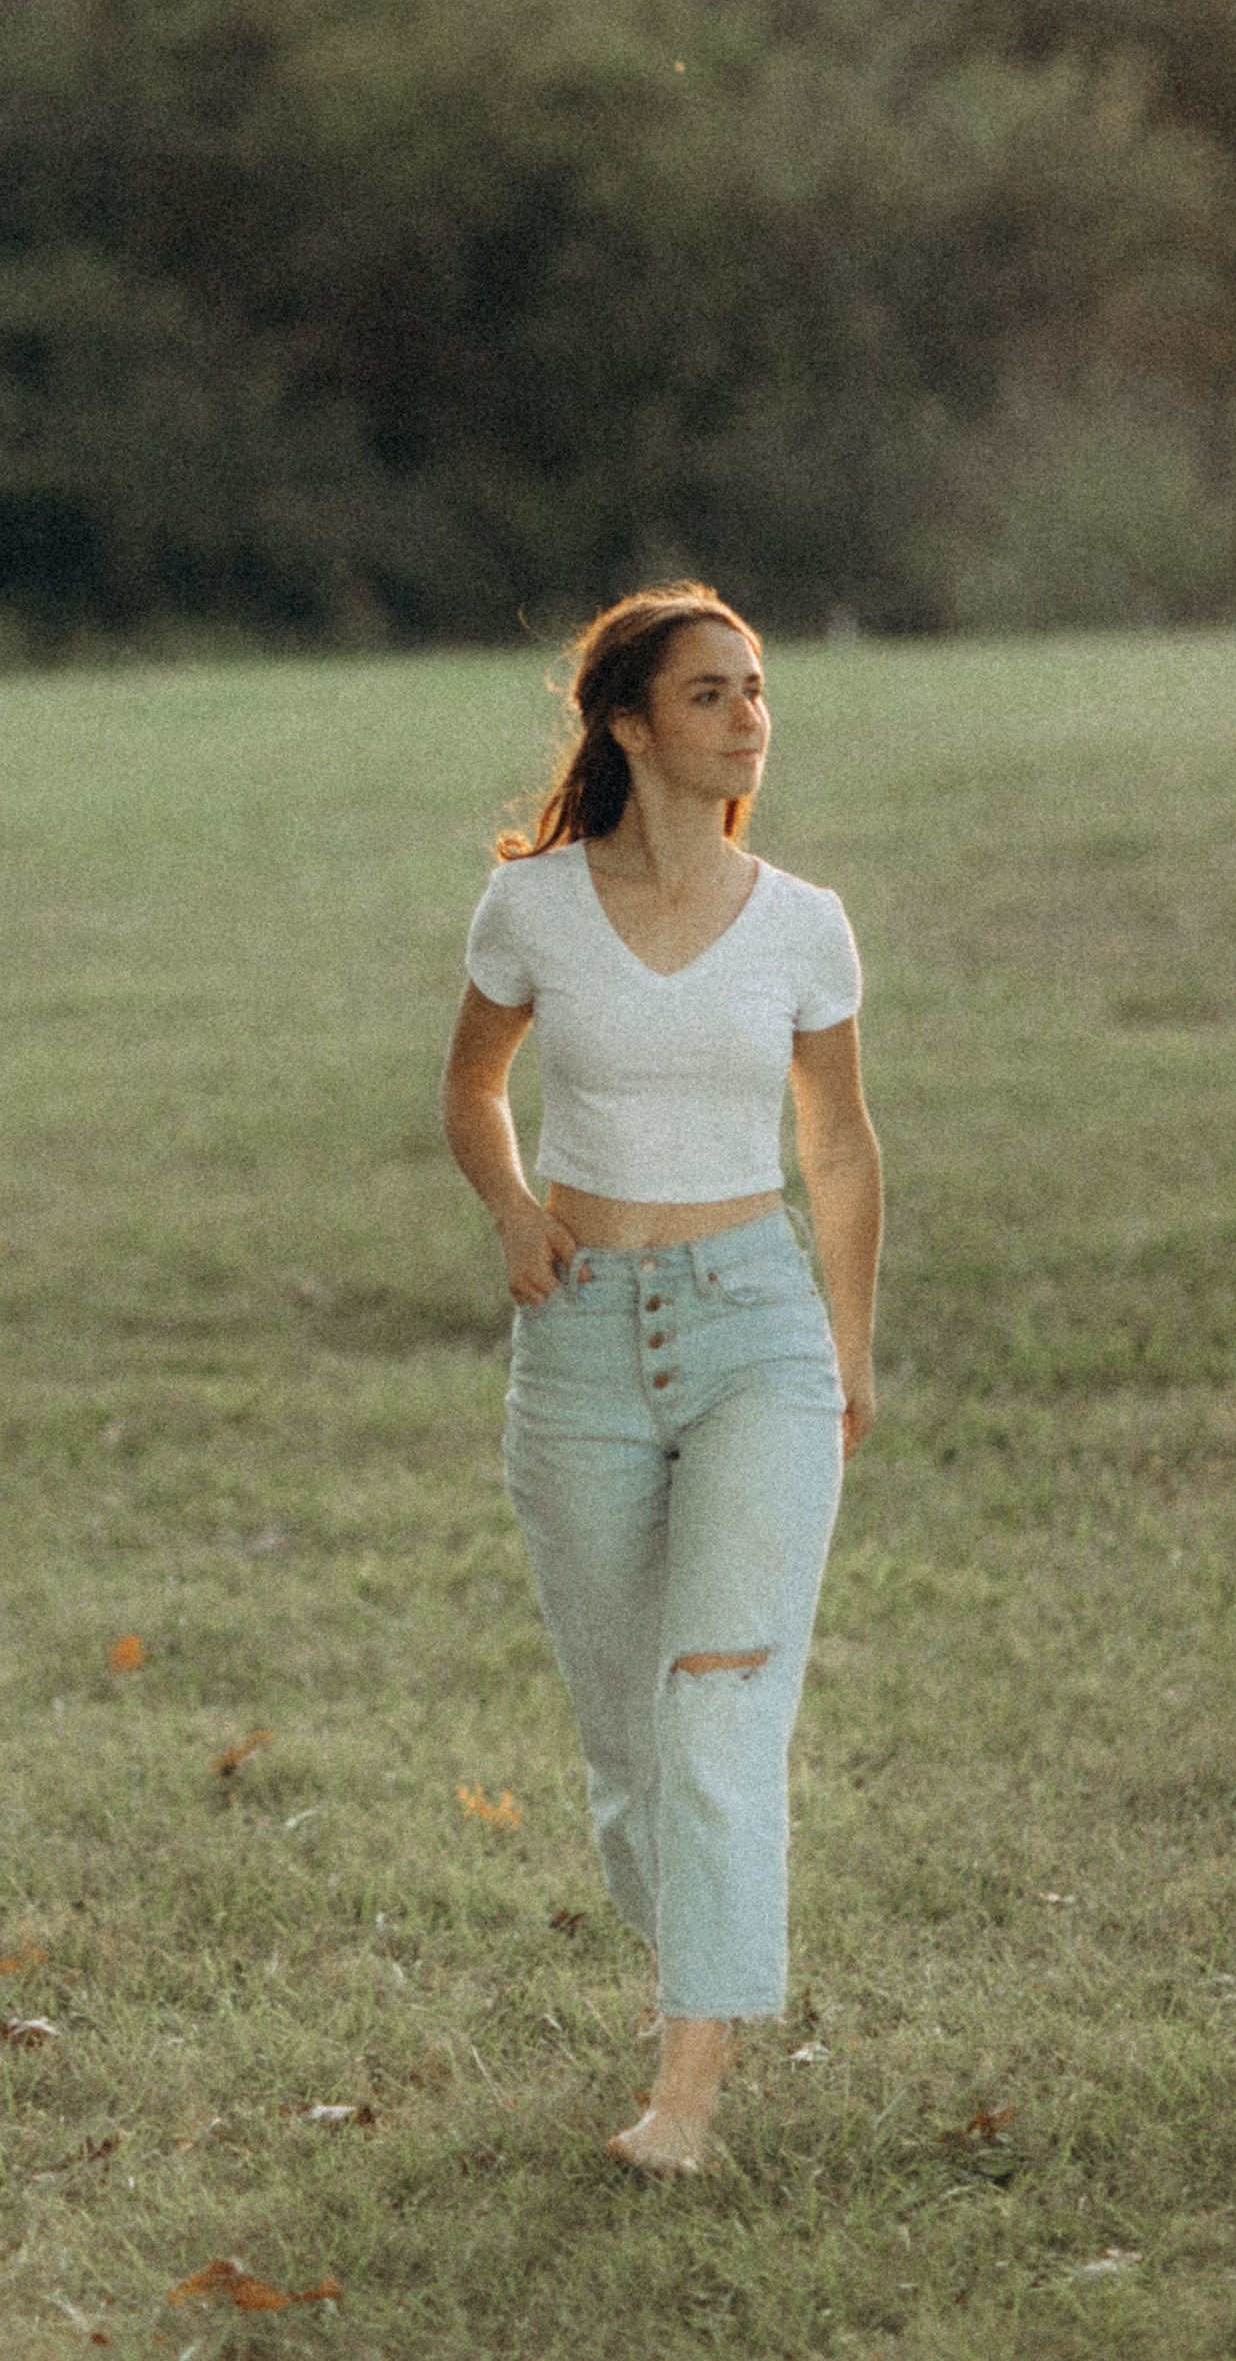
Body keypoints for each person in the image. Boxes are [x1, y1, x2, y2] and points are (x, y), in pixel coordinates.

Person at [440, 582, 882, 2176]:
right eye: (710, 692)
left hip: (757, 1326)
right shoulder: (534, 908)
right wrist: (509, 1211)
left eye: (756, 687)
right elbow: (476, 1089)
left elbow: (834, 1141)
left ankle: (685, 2095)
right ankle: (702, 1933)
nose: (749, 713)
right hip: (579, 1346)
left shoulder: (806, 923)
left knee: (718, 1711)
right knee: (632, 1752)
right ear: (628, 724)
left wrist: (850, 1343)